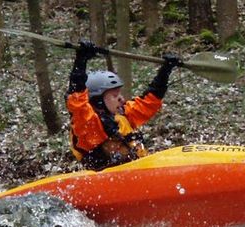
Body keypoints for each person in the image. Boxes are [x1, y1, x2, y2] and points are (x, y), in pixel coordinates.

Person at [66, 41, 182, 170]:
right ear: (98, 101)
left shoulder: (122, 114)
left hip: (137, 170)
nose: (121, 98)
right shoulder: (89, 125)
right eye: (114, 95)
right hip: (109, 177)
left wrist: (165, 71)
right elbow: (77, 101)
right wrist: (81, 61)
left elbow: (149, 102)